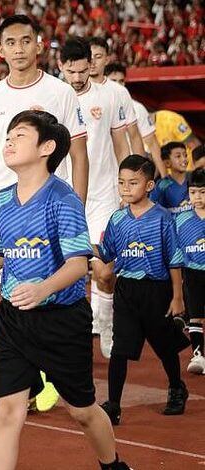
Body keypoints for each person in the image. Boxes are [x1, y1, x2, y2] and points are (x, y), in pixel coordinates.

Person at [0, 110, 131, 470]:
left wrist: (42, 289)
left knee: (81, 411)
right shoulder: (0, 200)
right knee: (6, 410)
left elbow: (79, 265)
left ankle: (112, 465)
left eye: (19, 135)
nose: (9, 142)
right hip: (13, 322)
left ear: (47, 147)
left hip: (61, 321)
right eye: (8, 136)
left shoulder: (62, 200)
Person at [0, 14, 89, 413]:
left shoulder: (60, 93)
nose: (18, 49)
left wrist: (75, 209)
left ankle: (46, 374)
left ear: (39, 45)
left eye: (25, 41)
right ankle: (29, 380)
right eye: (10, 43)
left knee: (52, 289)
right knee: (12, 292)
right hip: (5, 209)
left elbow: (78, 156)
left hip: (51, 210)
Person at [93, 155, 190, 425]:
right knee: (119, 349)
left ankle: (176, 387)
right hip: (126, 290)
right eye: (121, 182)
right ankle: (113, 404)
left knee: (165, 347)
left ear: (149, 185)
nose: (125, 188)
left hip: (156, 291)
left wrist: (177, 296)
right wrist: (85, 247)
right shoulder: (117, 219)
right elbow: (107, 254)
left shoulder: (162, 219)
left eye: (133, 183)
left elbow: (174, 259)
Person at [58, 38, 130, 358]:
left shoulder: (109, 96)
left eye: (81, 70)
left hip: (102, 196)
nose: (75, 78)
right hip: (62, 197)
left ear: (91, 64)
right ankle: (72, 332)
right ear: (61, 67)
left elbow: (119, 142)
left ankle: (104, 323)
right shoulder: (52, 97)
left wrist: (127, 185)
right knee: (63, 271)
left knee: (103, 271)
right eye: (69, 71)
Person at [104, 63, 166, 178]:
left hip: (129, 172)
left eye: (121, 81)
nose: (118, 85)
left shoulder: (137, 108)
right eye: (113, 80)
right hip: (103, 171)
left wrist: (164, 177)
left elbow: (152, 144)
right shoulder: (96, 107)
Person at [87, 37, 145, 157]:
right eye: (89, 56)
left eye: (98, 57)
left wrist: (141, 172)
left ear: (107, 60)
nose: (92, 62)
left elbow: (134, 135)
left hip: (111, 170)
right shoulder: (71, 91)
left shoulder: (119, 92)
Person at [176, 168, 205, 374]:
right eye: (193, 192)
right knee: (196, 316)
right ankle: (198, 355)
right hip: (192, 273)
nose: (198, 197)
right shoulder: (181, 219)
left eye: (203, 192)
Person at [151, 142, 191, 214]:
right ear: (167, 163)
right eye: (178, 156)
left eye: (185, 155)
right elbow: (152, 208)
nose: (184, 159)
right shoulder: (162, 185)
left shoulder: (195, 177)